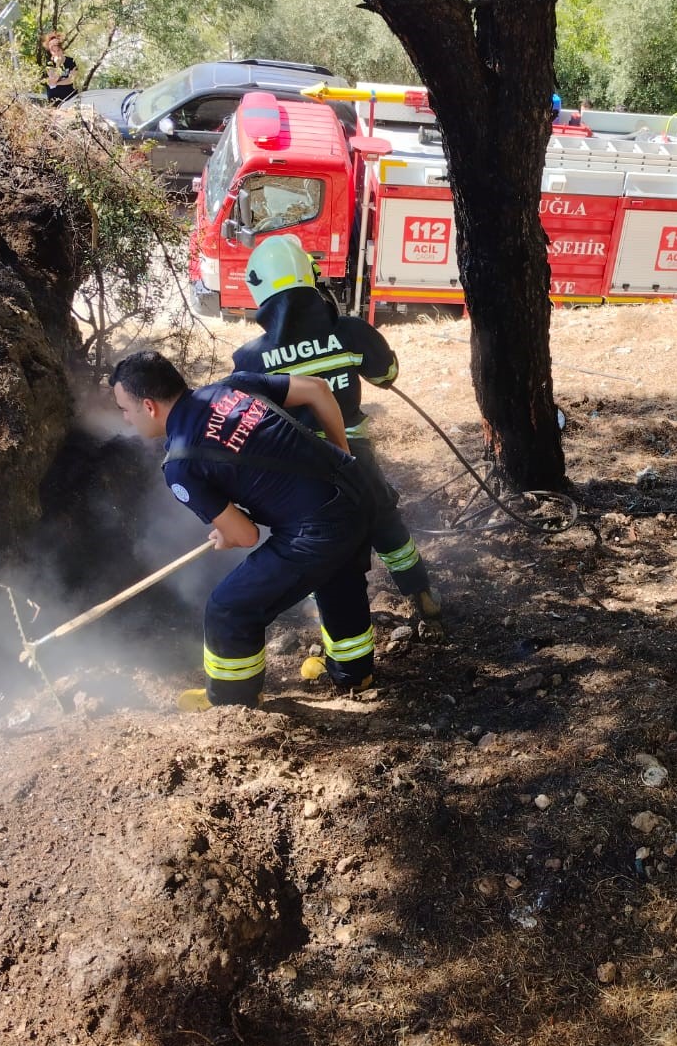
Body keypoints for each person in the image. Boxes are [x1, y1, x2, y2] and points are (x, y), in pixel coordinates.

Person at [110, 350, 376, 711]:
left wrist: (227, 533)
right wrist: (342, 457)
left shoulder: (180, 465)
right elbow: (317, 389)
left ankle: (232, 706)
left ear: (149, 406)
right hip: (358, 491)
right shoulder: (234, 386)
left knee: (228, 608)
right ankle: (355, 676)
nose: (126, 420)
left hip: (319, 528)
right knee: (337, 577)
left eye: (125, 410)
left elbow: (246, 536)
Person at [232, 235, 442, 630]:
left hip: (301, 476)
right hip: (355, 459)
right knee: (386, 524)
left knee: (325, 549)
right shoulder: (349, 331)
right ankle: (421, 594)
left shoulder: (249, 358)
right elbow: (386, 375)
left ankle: (332, 623)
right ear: (311, 278)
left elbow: (250, 423)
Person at [41, 31, 77, 103]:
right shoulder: (49, 64)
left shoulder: (71, 61)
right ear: (50, 51)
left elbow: (71, 80)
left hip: (70, 98)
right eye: (53, 51)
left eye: (58, 50)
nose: (56, 53)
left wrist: (57, 83)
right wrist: (58, 65)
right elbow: (53, 80)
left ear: (62, 49)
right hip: (55, 101)